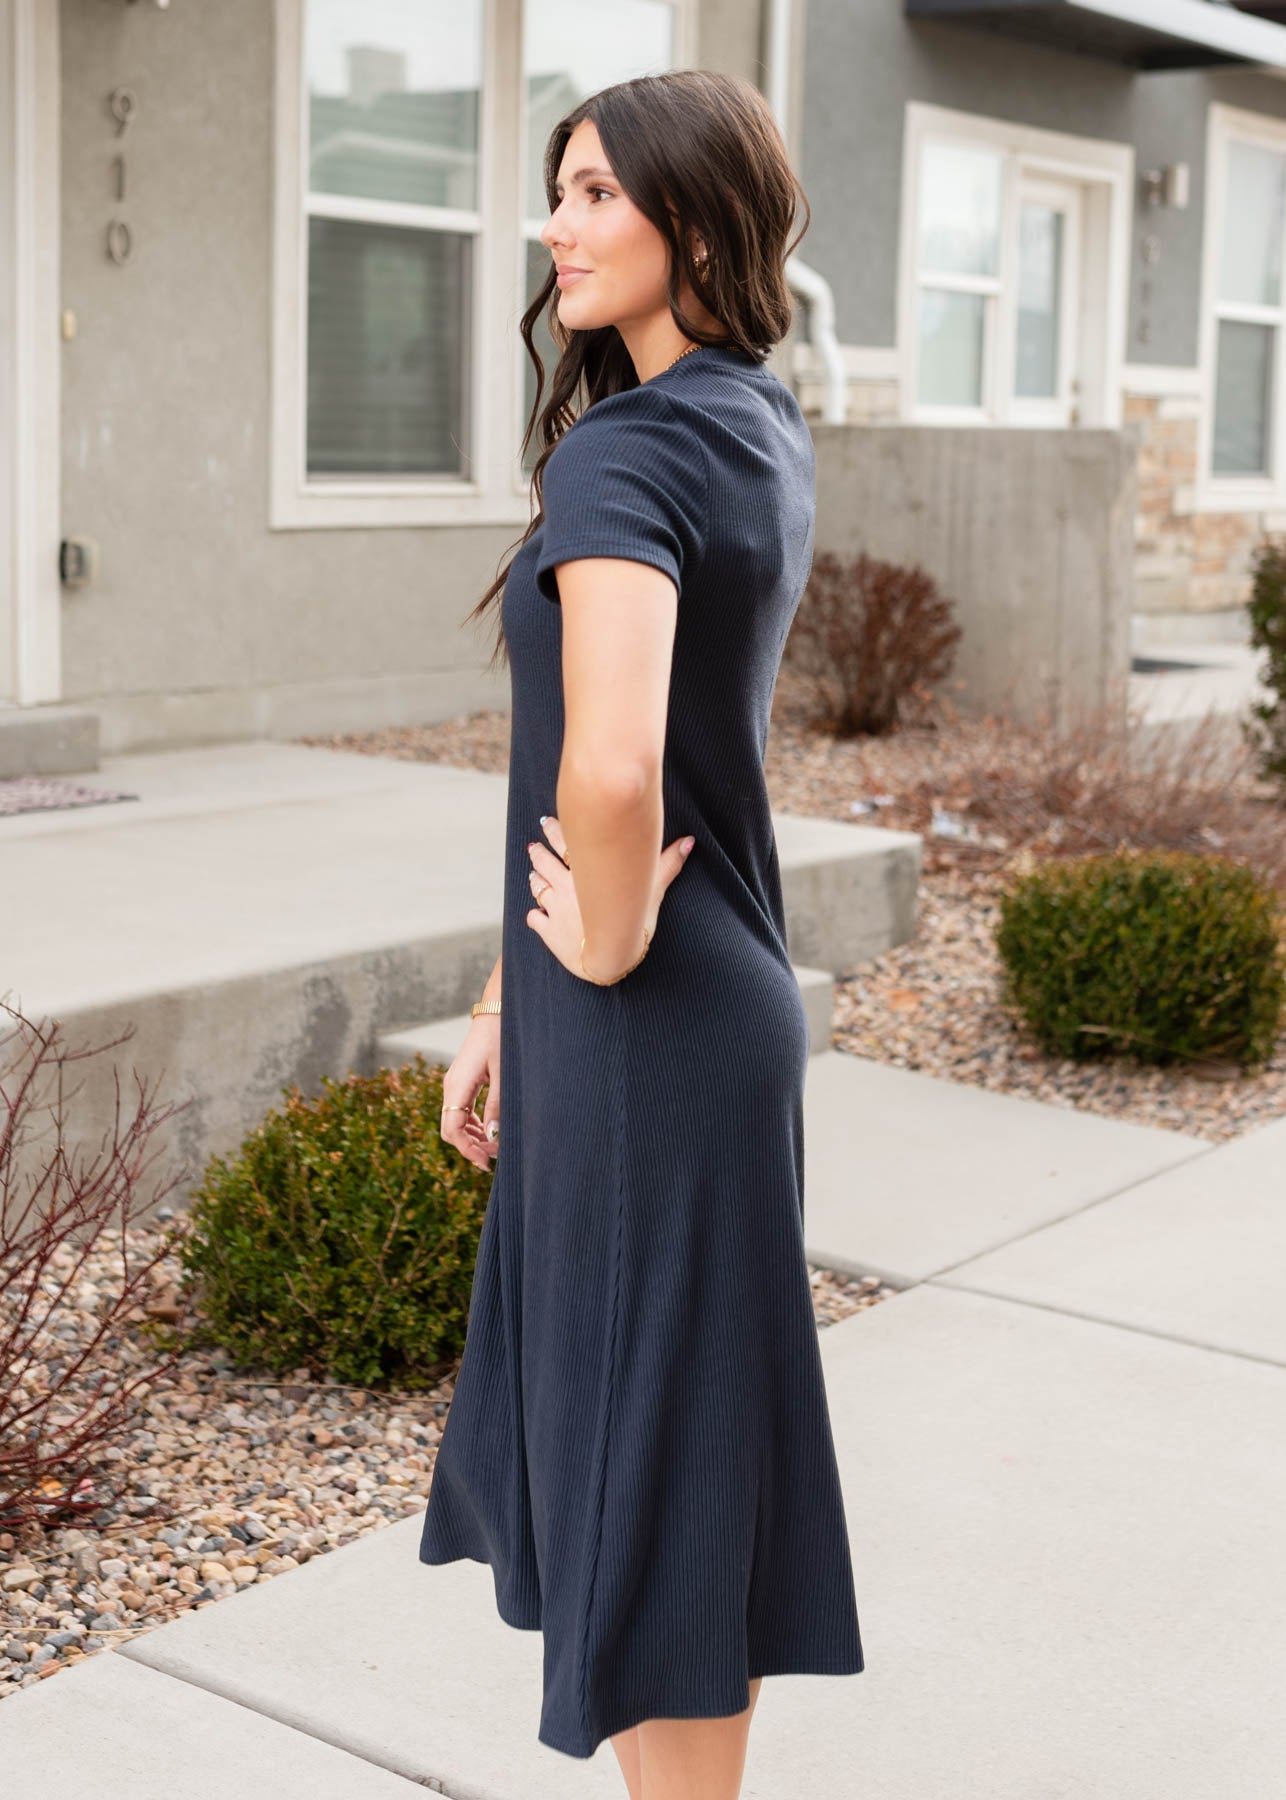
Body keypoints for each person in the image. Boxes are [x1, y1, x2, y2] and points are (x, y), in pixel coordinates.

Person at [420, 66, 864, 1800]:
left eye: (597, 189)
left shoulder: (623, 450)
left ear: (697, 215)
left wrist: (588, 960)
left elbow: (609, 772)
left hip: (652, 1020)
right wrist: (509, 992)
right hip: (694, 1012)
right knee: (677, 1477)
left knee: (657, 1492)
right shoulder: (751, 419)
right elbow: (675, 758)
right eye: (558, 188)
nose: (555, 224)